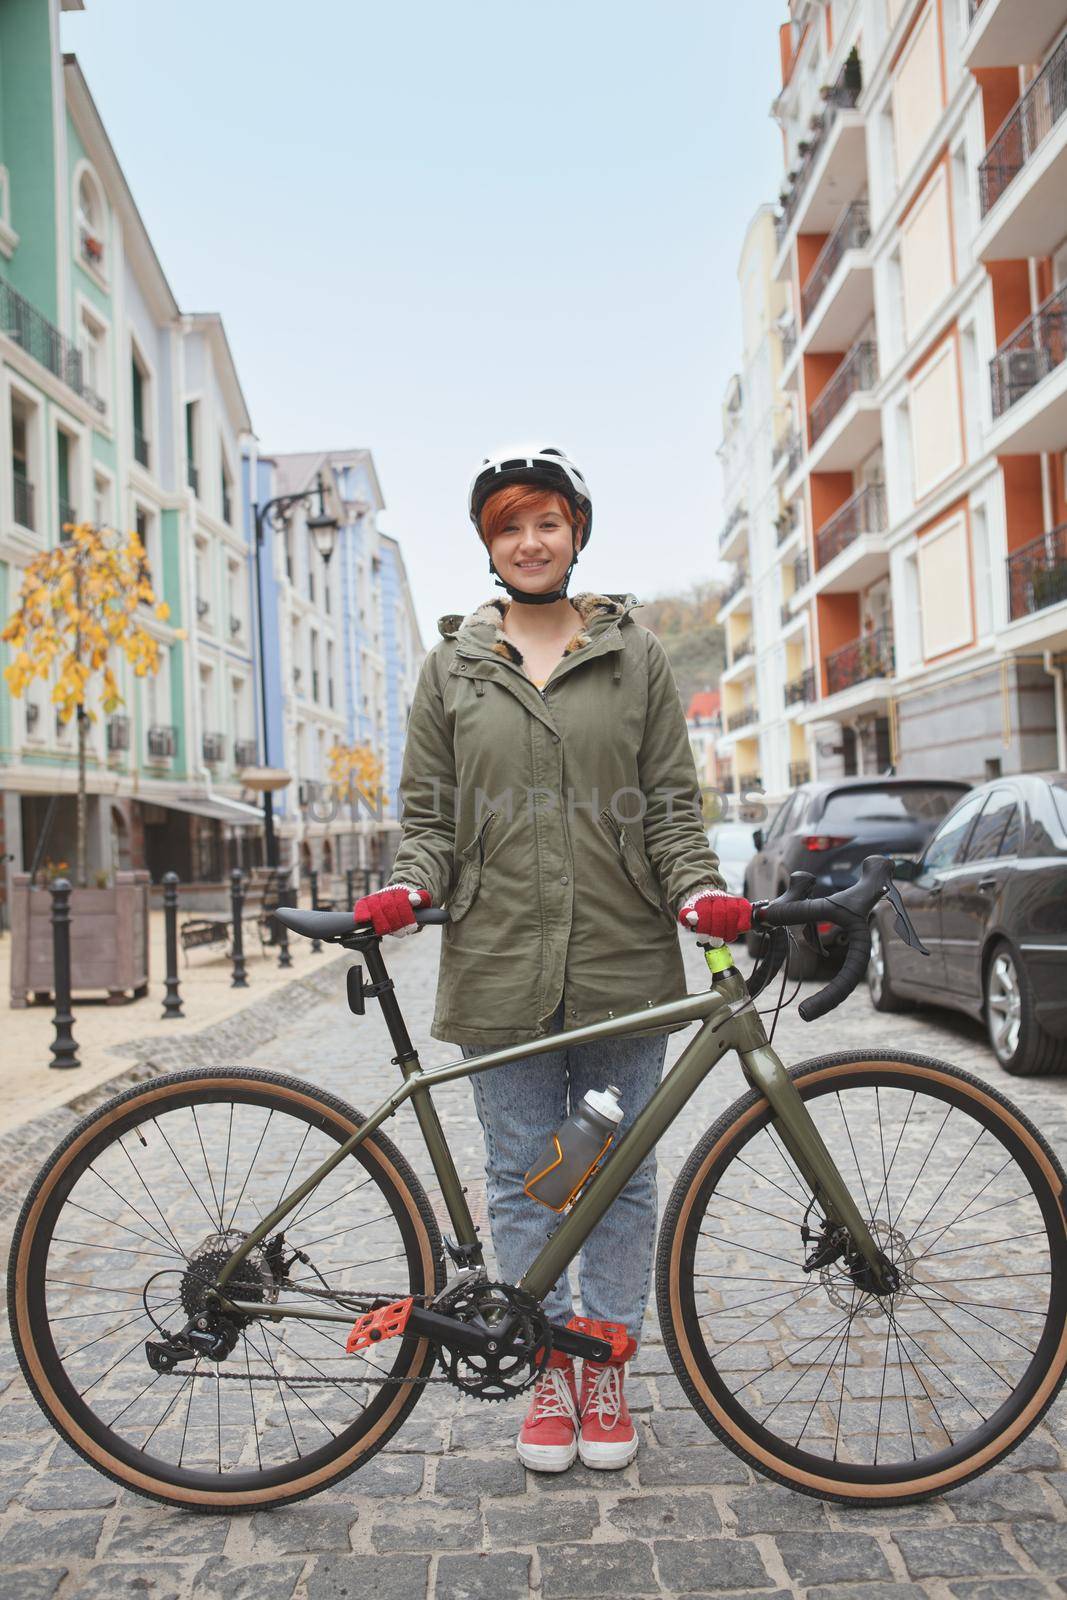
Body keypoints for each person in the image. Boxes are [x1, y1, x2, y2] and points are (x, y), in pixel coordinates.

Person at [352, 443, 752, 1473]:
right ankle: (540, 1366)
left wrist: (696, 891)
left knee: (613, 1177)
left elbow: (668, 804)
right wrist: (412, 882)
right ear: (488, 544)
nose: (529, 541)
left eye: (546, 521)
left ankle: (605, 1361)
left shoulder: (636, 656)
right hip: (497, 968)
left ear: (576, 530)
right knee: (530, 1181)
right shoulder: (453, 668)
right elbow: (430, 816)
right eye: (507, 526)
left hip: (621, 960)